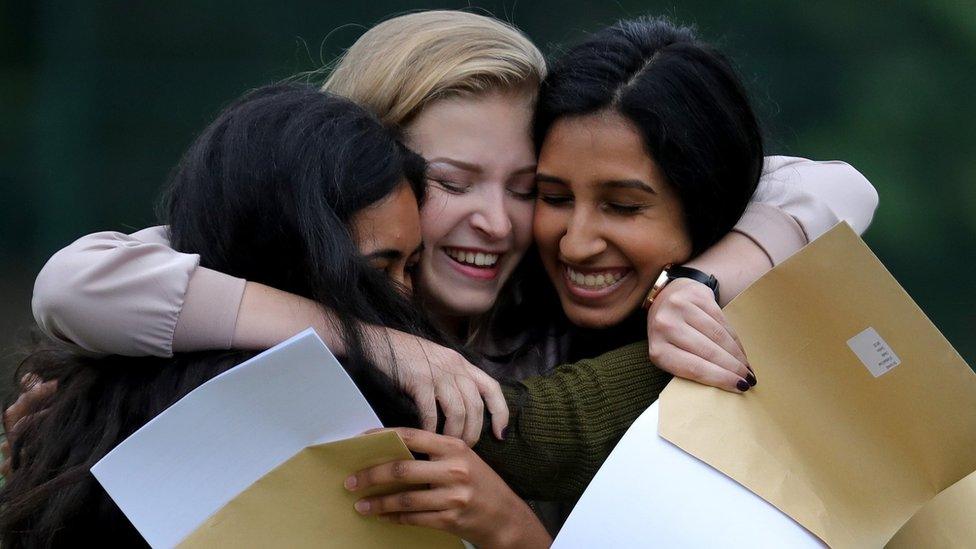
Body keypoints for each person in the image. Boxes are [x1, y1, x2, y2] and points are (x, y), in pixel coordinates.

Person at [15, 8, 877, 537]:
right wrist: (373, 342)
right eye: (449, 183)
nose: (497, 223)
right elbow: (76, 286)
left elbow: (831, 185)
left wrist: (699, 284)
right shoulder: (303, 258)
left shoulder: (556, 293)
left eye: (525, 186)